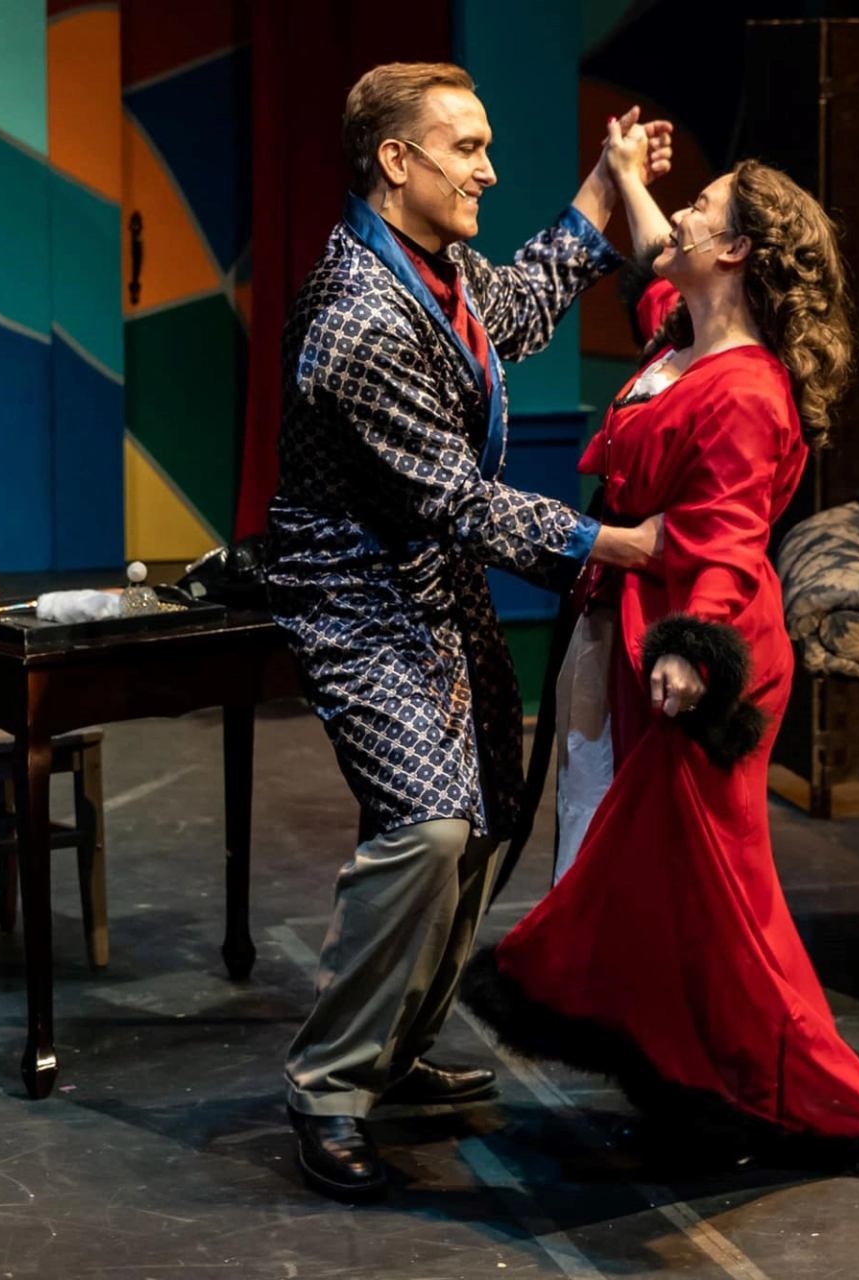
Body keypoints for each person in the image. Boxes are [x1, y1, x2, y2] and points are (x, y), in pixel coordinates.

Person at [460, 123, 859, 1177]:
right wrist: (625, 177)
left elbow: (725, 540)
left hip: (700, 655)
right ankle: (681, 1078)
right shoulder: (683, 335)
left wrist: (692, 654)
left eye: (700, 209)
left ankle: (824, 1099)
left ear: (736, 252)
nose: (678, 216)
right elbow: (652, 265)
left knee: (718, 892)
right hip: (637, 624)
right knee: (660, 879)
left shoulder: (746, 393)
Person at [265, 62, 673, 1202]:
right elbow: (458, 498)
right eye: (467, 149)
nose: (488, 170)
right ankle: (330, 1087)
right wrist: (613, 544)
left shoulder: (433, 271)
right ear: (397, 162)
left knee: (491, 811)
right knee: (429, 828)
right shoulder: (358, 316)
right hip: (356, 599)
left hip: (431, 585)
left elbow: (521, 304)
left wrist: (606, 185)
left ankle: (393, 1049)